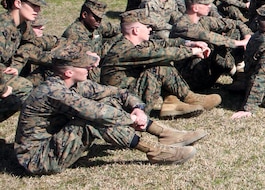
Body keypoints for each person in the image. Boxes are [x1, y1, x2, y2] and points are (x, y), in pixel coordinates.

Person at [15, 43, 205, 175]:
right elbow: (96, 113)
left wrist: (137, 108)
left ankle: (164, 133)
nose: (90, 68)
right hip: (38, 159)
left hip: (53, 144)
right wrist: (131, 119)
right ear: (69, 72)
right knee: (91, 121)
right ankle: (156, 151)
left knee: (109, 102)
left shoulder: (72, 85)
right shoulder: (54, 92)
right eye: (85, 65)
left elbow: (117, 93)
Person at [2, 0, 46, 125]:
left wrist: (16, 65)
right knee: (22, 87)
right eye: (34, 5)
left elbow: (30, 43)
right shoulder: (3, 26)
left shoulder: (23, 25)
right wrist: (2, 88)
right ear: (18, 3)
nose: (38, 10)